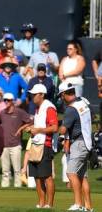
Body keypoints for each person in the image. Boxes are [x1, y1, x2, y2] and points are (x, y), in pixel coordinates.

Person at [17, 84, 58, 208]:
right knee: (36, 177)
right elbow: (38, 124)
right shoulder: (37, 108)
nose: (32, 96)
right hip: (35, 145)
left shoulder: (49, 108)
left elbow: (54, 127)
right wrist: (30, 128)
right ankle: (41, 203)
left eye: (35, 94)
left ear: (42, 95)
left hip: (46, 145)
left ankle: (49, 205)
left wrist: (38, 130)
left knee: (47, 177)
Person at [59, 82, 94, 212]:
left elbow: (63, 130)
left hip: (78, 143)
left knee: (71, 172)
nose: (61, 99)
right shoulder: (84, 102)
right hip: (87, 143)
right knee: (82, 176)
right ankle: (89, 207)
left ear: (63, 94)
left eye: (61, 96)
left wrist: (58, 126)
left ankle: (78, 204)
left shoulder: (70, 109)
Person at [0, 92, 31, 188]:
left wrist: (21, 129)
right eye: (5, 100)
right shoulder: (2, 113)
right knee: (5, 170)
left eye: (8, 100)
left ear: (12, 101)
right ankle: (5, 186)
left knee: (16, 170)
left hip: (15, 145)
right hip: (4, 145)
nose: (6, 102)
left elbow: (30, 121)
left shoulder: (19, 112)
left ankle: (17, 186)